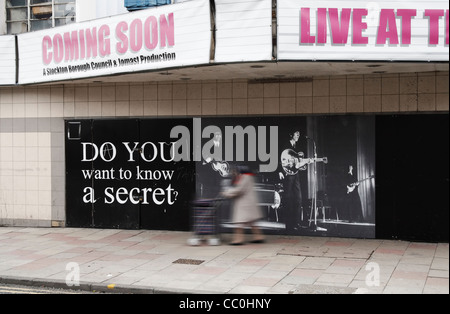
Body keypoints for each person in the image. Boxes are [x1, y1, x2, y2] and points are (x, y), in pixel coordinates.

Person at [221, 166, 265, 245]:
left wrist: (226, 193)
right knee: (252, 222)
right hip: (248, 203)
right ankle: (258, 237)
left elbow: (239, 190)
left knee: (239, 223)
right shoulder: (248, 177)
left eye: (235, 171)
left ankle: (238, 240)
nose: (233, 173)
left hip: (245, 204)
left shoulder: (245, 177)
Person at [279, 130, 305, 232]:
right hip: (288, 174)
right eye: (296, 133)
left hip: (296, 175)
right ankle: (289, 225)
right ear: (291, 135)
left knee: (298, 198)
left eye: (299, 133)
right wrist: (280, 171)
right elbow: (280, 159)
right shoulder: (285, 145)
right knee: (288, 199)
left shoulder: (297, 148)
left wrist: (304, 164)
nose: (298, 135)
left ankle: (297, 223)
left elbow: (298, 163)